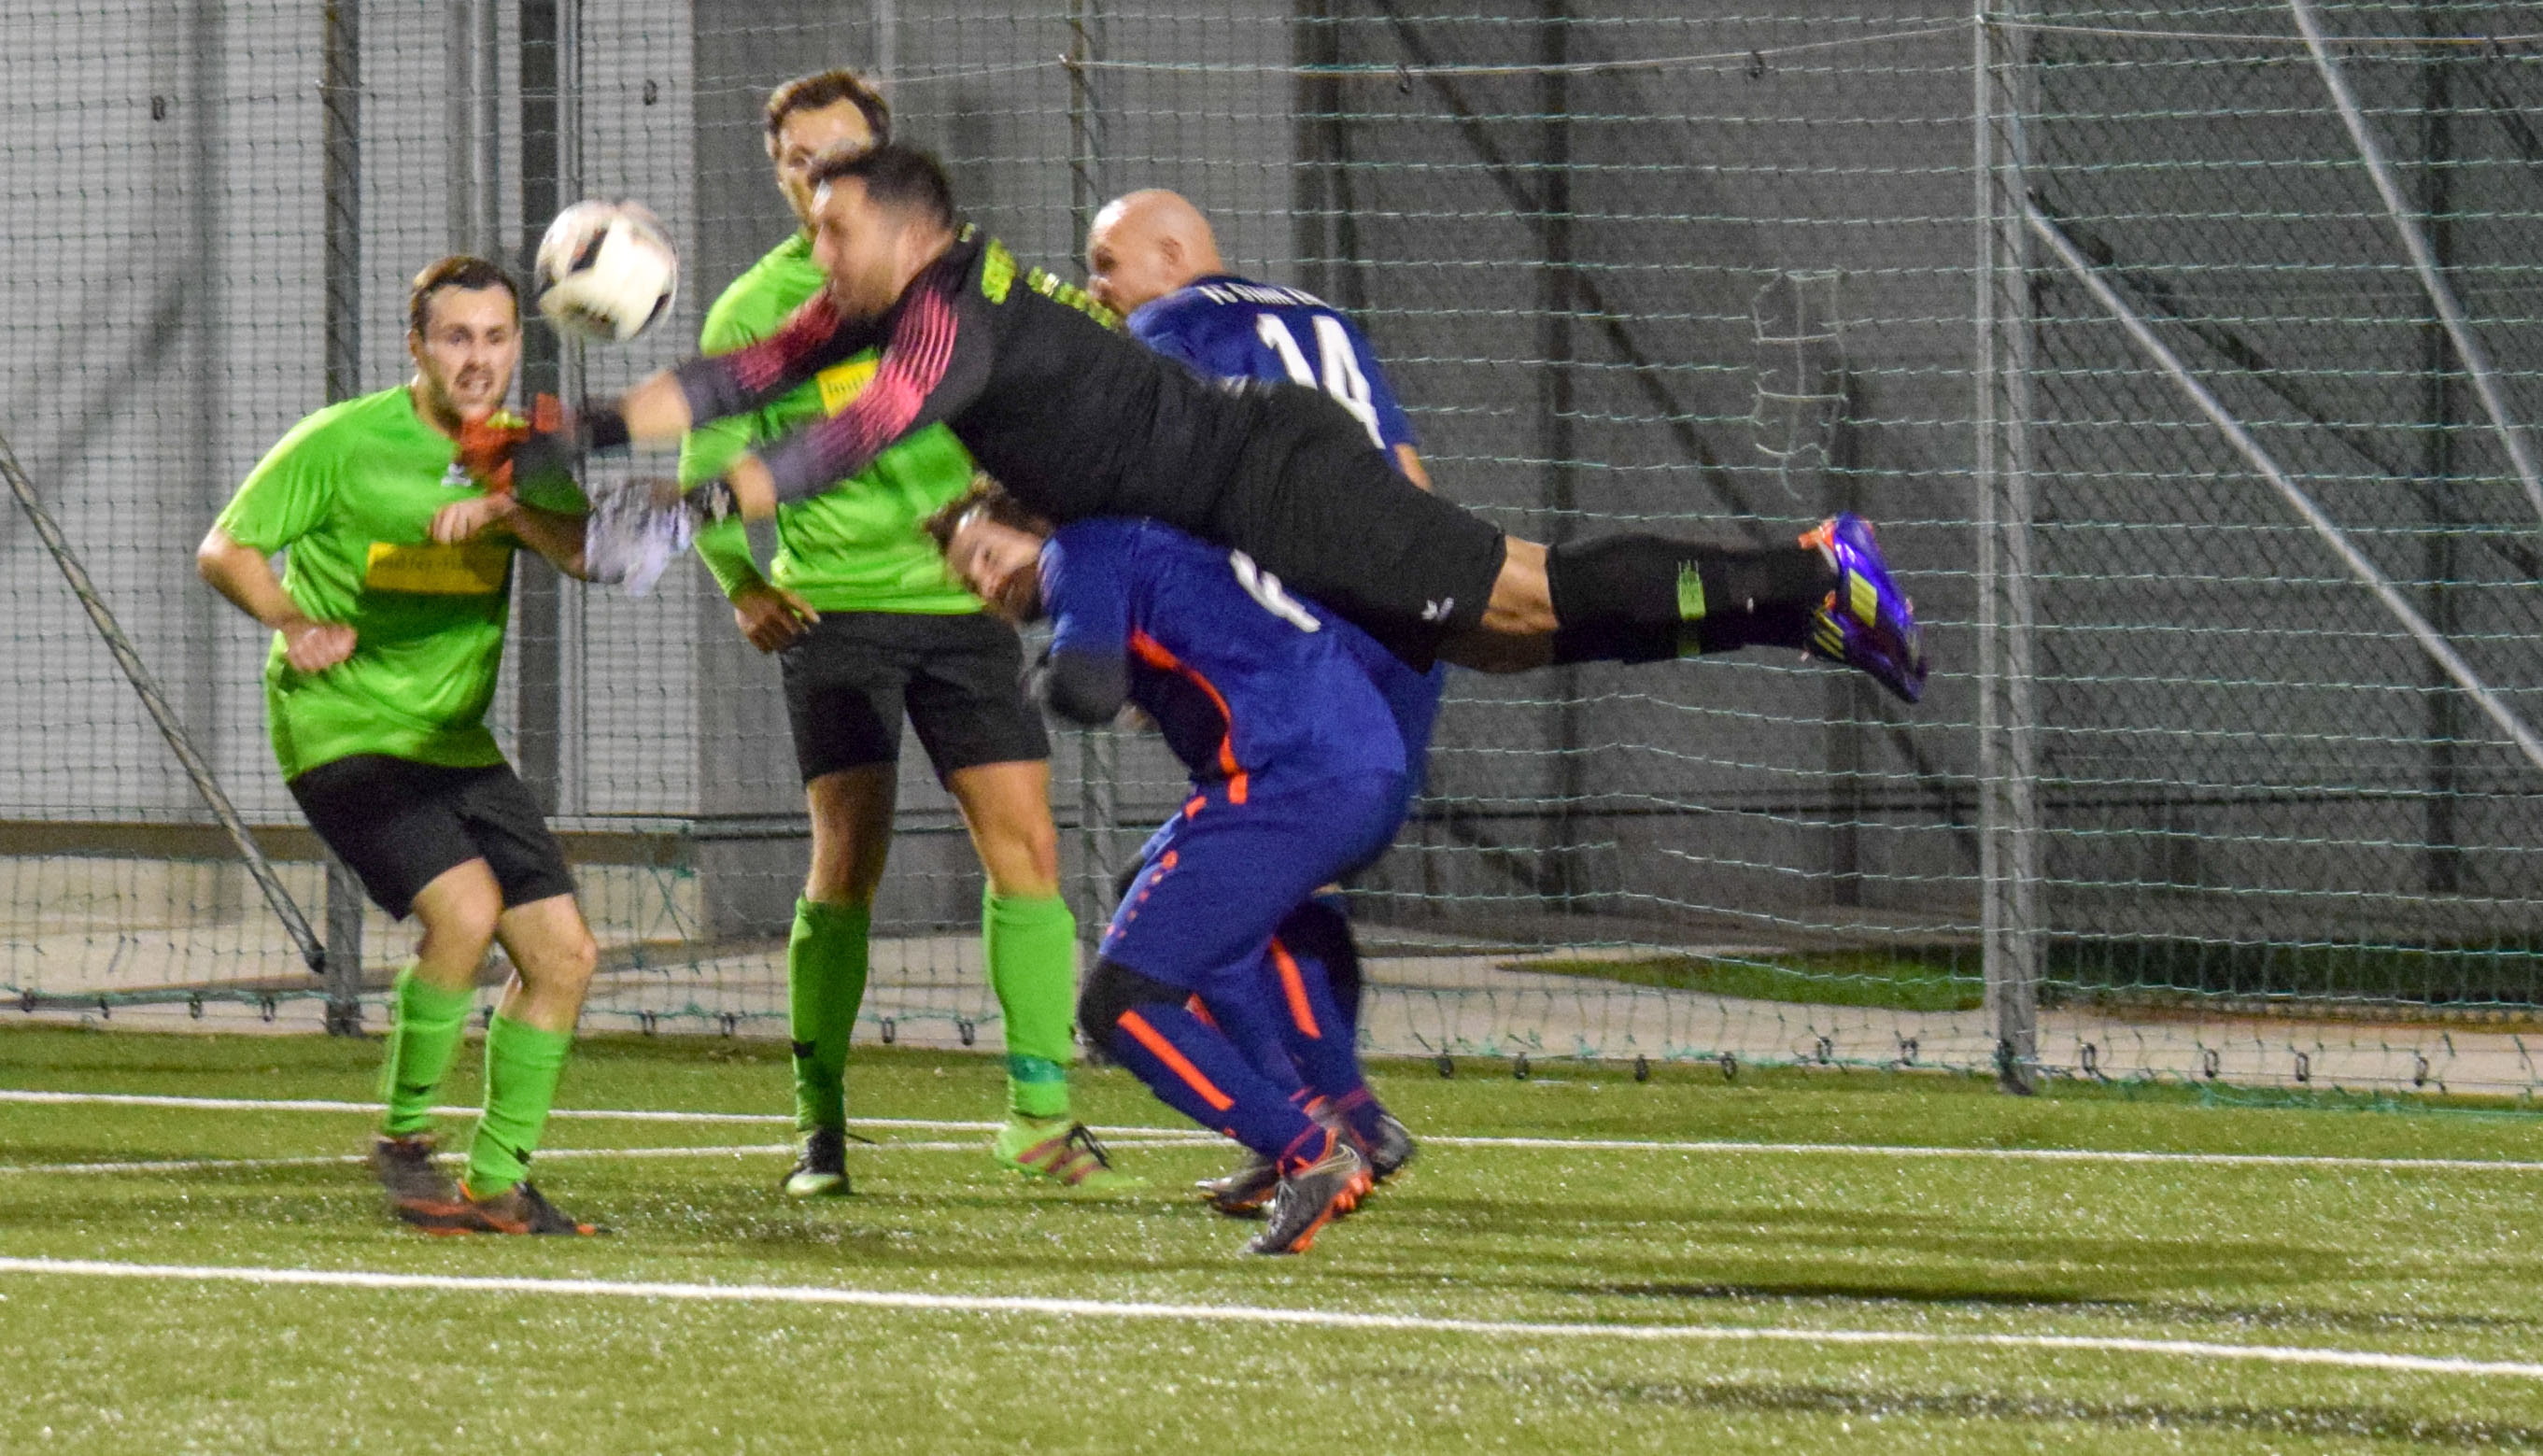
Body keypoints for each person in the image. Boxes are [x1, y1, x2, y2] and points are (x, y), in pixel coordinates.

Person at [473, 141, 1925, 704]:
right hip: (1245, 487)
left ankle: (1810, 568)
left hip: (1268, 474)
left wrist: (689, 510)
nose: (814, 243)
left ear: (909, 231)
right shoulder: (876, 300)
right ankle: (1793, 609)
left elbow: (849, 435)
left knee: (1520, 593)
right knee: (1496, 640)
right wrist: (578, 436)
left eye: (833, 224)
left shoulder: (948, 320)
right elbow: (733, 379)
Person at [679, 69, 1125, 1198]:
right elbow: (706, 471)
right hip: (835, 613)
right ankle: (818, 1124)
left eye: (838, 156)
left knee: (1028, 853)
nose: (817, 176)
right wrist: (741, 584)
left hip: (965, 612)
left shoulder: (963, 284)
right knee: (846, 866)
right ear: (778, 173)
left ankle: (1039, 1117)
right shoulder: (755, 314)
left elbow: (1055, 373)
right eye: (798, 161)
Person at [196, 257, 601, 1236]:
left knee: (565, 957)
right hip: (341, 725)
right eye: (456, 338)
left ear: (518, 343)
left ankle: (497, 1183)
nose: (478, 358)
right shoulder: (341, 441)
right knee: (466, 909)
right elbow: (225, 547)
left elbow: (587, 555)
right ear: (415, 345)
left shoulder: (526, 448)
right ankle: (405, 1138)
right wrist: (294, 621)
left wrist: (509, 505)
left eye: (496, 337)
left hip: (452, 739)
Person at [928, 483, 1416, 1255]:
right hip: (1344, 755)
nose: (987, 583)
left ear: (1036, 523)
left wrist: (1044, 678)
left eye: (988, 555)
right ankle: (1321, 1118)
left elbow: (1085, 690)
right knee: (1171, 911)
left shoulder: (1077, 548)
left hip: (1292, 776)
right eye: (971, 581)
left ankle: (1312, 1149)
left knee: (1120, 1003)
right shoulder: (1149, 538)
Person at [1088, 187, 1443, 1213]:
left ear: (1170, 255)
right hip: (1406, 622)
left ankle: (1325, 1125)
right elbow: (1407, 474)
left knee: (1235, 889)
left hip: (1304, 631)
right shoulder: (1321, 317)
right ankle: (1331, 1118)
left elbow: (1173, 491)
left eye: (1106, 262)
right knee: (1286, 880)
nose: (1096, 287)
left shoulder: (1167, 328)